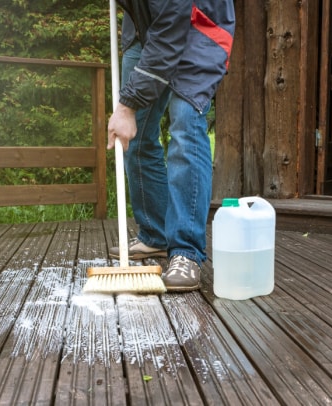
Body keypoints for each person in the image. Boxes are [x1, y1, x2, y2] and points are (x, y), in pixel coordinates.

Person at [107, 1, 235, 292]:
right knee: (136, 133)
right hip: (148, 27)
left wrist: (126, 105)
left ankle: (186, 251)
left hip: (200, 24)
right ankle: (155, 235)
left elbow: (171, 27)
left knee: (185, 121)